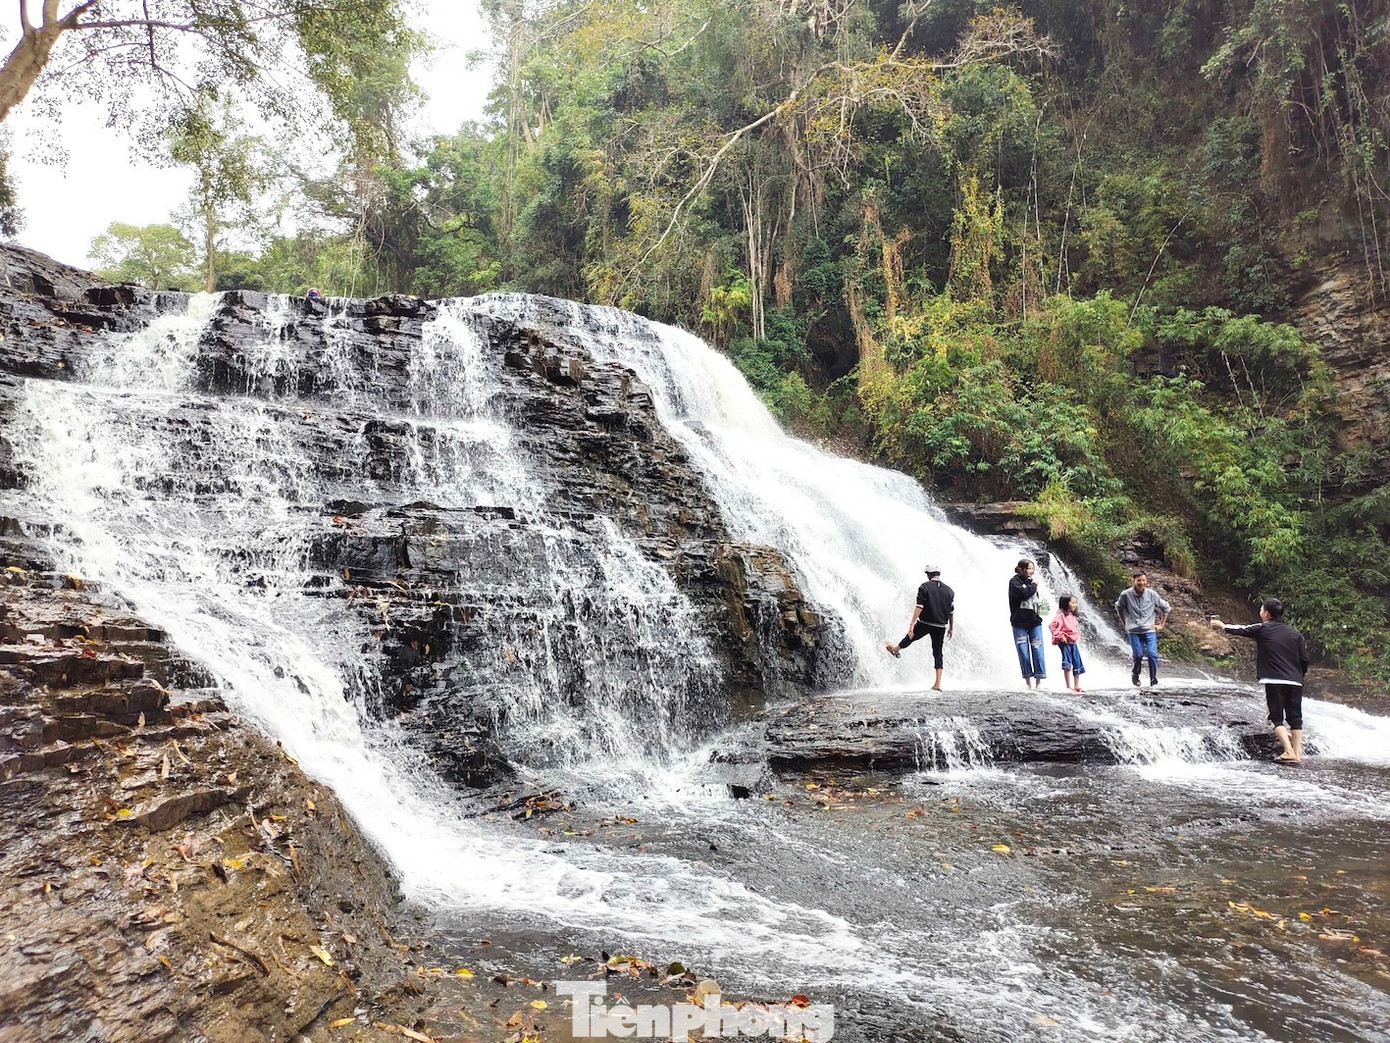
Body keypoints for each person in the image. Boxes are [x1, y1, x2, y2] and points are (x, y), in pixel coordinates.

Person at [1210, 599, 1309, 763]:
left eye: (1262, 610)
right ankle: (1297, 755)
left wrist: (1222, 626)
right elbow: (1304, 659)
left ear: (1266, 613)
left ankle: (1288, 751)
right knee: (1295, 719)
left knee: (1275, 717)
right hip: (1295, 681)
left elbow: (1242, 630)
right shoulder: (1295, 634)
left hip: (1274, 679)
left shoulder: (1264, 628)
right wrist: (1298, 676)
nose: (1261, 612)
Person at [885, 565, 954, 691]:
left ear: (928, 574)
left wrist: (912, 624)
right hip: (940, 625)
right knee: (938, 652)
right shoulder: (949, 590)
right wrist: (951, 627)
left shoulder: (924, 587)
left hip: (925, 622)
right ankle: (938, 684)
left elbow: (919, 606)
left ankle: (896, 649)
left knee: (910, 637)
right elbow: (951, 611)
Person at [1114, 571, 1170, 686]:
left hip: (1149, 629)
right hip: (1133, 630)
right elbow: (1119, 607)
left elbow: (1166, 608)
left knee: (1152, 654)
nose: (1142, 583)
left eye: (1144, 580)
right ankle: (1135, 673)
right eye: (1139, 580)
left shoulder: (1152, 594)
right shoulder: (1126, 595)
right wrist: (1125, 623)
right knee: (1138, 655)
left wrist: (1161, 624)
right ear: (1134, 580)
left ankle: (1153, 680)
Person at [1008, 559, 1046, 688]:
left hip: (1035, 621)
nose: (1031, 571)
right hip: (1019, 622)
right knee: (1023, 652)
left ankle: (1039, 680)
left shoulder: (1030, 581)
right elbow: (1024, 594)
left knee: (1038, 650)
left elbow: (1035, 599)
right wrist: (1034, 585)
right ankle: (1027, 680)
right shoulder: (1014, 582)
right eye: (1029, 569)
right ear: (1020, 569)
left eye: (1032, 569)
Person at [1048, 594, 1085, 694]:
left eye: (1075, 603)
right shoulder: (1060, 615)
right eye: (1072, 603)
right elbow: (1052, 626)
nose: (1075, 605)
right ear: (1065, 603)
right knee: (1067, 662)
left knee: (1077, 661)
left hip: (1073, 641)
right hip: (1065, 642)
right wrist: (1060, 636)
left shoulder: (1072, 615)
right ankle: (1068, 686)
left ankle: (1076, 685)